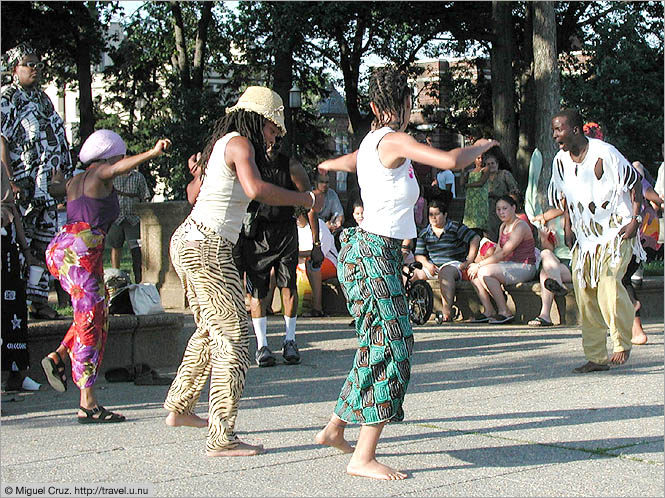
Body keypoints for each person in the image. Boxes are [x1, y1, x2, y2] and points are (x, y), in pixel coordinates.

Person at [313, 67, 498, 480]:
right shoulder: (395, 138)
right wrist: (479, 145)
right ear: (401, 105)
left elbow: (351, 160)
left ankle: (335, 427)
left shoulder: (372, 143)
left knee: (373, 343)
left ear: (374, 105)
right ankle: (363, 456)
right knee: (393, 348)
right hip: (373, 254)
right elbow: (451, 159)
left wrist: (328, 163)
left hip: (367, 252)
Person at [163, 86, 323, 457]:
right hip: (209, 247)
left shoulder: (220, 144)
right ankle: (221, 435)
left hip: (187, 240)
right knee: (235, 337)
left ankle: (180, 407)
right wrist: (303, 199)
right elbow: (256, 189)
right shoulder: (240, 145)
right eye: (272, 128)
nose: (275, 135)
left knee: (209, 330)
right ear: (256, 119)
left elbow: (192, 196)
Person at [42, 130, 170, 423]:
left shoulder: (77, 180)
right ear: (110, 156)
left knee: (94, 315)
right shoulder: (101, 172)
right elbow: (115, 168)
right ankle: (87, 403)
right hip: (82, 252)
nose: (123, 161)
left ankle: (60, 355)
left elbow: (55, 189)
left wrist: (56, 177)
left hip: (67, 249)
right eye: (121, 155)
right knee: (90, 324)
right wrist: (151, 153)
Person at [548, 109, 645, 373]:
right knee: (585, 294)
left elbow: (635, 183)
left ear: (576, 129)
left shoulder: (606, 153)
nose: (555, 135)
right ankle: (596, 357)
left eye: (559, 129)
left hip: (617, 230)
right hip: (586, 236)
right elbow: (564, 196)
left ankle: (622, 342)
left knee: (610, 283)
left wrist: (635, 219)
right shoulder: (561, 161)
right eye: (554, 130)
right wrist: (568, 225)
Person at [233, 139, 323, 368]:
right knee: (257, 290)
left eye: (275, 139)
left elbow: (309, 200)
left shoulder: (291, 166)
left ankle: (290, 340)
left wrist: (316, 241)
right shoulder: (250, 165)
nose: (271, 144)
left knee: (288, 286)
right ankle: (262, 345)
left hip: (285, 231)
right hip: (257, 232)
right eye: (267, 139)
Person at [1, 43, 73, 320]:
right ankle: (14, 299)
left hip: (47, 188)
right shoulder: (7, 98)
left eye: (38, 64)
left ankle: (38, 300)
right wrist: (9, 179)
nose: (34, 69)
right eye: (28, 64)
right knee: (21, 244)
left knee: (45, 244)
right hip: (22, 185)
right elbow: (2, 139)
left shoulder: (43, 99)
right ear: (14, 69)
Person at [1, 162, 41, 392]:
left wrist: (26, 250)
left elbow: (9, 208)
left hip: (4, 246)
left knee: (13, 308)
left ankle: (17, 372)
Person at [467, 195, 537, 324]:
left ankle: (504, 311)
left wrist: (480, 265)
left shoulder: (520, 226)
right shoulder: (503, 226)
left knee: (484, 272)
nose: (501, 212)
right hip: (507, 265)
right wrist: (478, 263)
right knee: (473, 273)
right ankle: (489, 310)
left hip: (524, 266)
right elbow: (499, 250)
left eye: (504, 208)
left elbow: (505, 252)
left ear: (513, 208)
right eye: (498, 209)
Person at [413, 199, 480, 322]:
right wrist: (427, 265)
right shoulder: (424, 233)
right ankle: (407, 309)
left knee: (445, 272)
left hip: (453, 264)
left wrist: (469, 260)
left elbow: (475, 238)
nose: (433, 218)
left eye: (437, 214)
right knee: (410, 272)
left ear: (445, 215)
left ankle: (447, 312)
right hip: (432, 266)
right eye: (430, 215)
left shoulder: (455, 227)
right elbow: (419, 255)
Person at [108, 167, 151, 283]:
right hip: (116, 218)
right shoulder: (113, 176)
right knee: (116, 247)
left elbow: (145, 196)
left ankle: (139, 278)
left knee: (136, 250)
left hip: (133, 219)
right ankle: (115, 276)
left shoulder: (138, 177)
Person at [527, 225, 572, 327]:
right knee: (546, 252)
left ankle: (545, 315)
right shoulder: (551, 222)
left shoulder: (574, 217)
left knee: (544, 273)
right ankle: (558, 285)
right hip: (555, 261)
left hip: (571, 261)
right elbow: (550, 248)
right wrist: (544, 237)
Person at [296, 207, 338, 318]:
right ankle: (267, 307)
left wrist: (296, 253)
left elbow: (319, 254)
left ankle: (317, 308)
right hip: (298, 262)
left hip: (327, 262)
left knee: (311, 264)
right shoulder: (293, 228)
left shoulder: (319, 225)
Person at [485, 146, 520, 241]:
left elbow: (514, 192)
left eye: (492, 163)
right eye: (488, 164)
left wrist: (512, 208)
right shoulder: (483, 178)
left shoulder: (505, 175)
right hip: (489, 211)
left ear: (497, 164)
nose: (491, 165)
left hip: (503, 209)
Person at [461, 154, 489, 237]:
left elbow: (481, 182)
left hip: (481, 198)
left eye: (482, 158)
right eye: (478, 158)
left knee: (482, 223)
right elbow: (462, 183)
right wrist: (463, 170)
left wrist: (467, 185)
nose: (480, 160)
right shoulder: (470, 171)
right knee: (471, 223)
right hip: (471, 199)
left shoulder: (485, 169)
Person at [315, 172, 344, 237]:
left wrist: (337, 222)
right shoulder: (310, 195)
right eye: (321, 182)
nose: (324, 184)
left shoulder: (332, 194)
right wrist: (324, 226)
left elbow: (340, 214)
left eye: (327, 182)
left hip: (329, 229)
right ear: (315, 182)